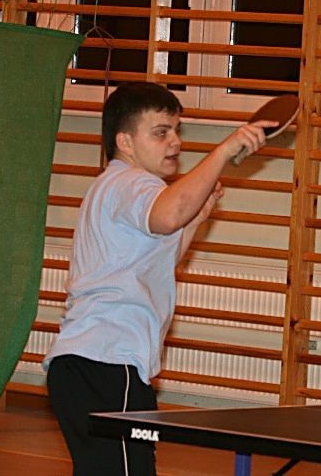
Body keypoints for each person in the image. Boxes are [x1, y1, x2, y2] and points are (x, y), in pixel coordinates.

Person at [42, 81, 276, 476]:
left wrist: (195, 220)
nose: (175, 142)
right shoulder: (133, 182)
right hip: (108, 367)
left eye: (176, 131)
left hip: (86, 369)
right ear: (126, 142)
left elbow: (157, 261)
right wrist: (223, 151)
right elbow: (169, 214)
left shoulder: (113, 187)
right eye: (161, 132)